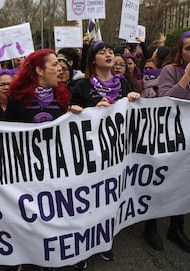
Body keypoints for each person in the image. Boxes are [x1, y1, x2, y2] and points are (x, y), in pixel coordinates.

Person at [0, 49, 81, 271]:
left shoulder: (63, 94)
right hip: (26, 168)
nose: (59, 68)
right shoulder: (18, 96)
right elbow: (7, 129)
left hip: (55, 167)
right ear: (39, 70)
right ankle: (24, 254)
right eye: (53, 64)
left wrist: (78, 113)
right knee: (28, 214)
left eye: (59, 64)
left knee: (51, 213)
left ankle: (47, 257)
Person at [71, 41, 140, 269]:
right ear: (93, 59)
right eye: (102, 51)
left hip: (116, 151)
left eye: (111, 51)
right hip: (89, 152)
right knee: (87, 198)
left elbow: (134, 113)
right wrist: (87, 111)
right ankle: (82, 246)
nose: (109, 54)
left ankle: (103, 239)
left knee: (109, 196)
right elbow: (70, 117)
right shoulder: (81, 86)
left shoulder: (123, 83)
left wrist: (132, 98)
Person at [151, 29, 190, 254]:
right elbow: (165, 101)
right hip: (169, 136)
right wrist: (186, 76)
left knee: (184, 182)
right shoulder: (171, 70)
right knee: (161, 181)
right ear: (181, 51)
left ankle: (177, 227)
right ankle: (151, 226)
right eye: (189, 48)